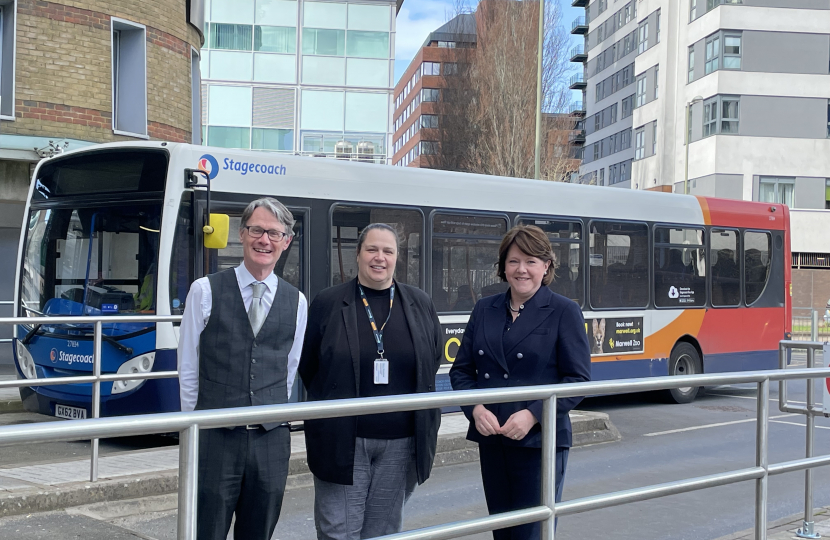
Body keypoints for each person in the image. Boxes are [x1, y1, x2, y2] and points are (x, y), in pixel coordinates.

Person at [299, 223, 442, 540]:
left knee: (383, 532)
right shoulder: (329, 302)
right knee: (338, 530)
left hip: (401, 444)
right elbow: (308, 365)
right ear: (359, 254)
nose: (380, 257)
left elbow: (430, 361)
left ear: (397, 257)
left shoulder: (420, 303)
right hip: (342, 439)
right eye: (372, 249)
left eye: (388, 251)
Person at [449, 225, 591, 540]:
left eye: (530, 261)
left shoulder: (563, 311)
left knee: (531, 533)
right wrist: (475, 408)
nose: (521, 269)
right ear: (503, 267)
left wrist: (532, 414)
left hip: (539, 442)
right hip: (493, 437)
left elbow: (578, 379)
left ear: (546, 266)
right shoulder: (485, 308)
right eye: (513, 261)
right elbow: (461, 370)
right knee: (503, 532)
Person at [178, 197, 307, 540]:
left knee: (259, 532)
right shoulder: (204, 291)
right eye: (256, 230)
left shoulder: (297, 301)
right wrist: (194, 427)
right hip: (216, 436)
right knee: (206, 530)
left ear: (286, 242)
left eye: (274, 233)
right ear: (242, 233)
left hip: (270, 440)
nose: (264, 240)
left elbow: (288, 367)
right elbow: (188, 366)